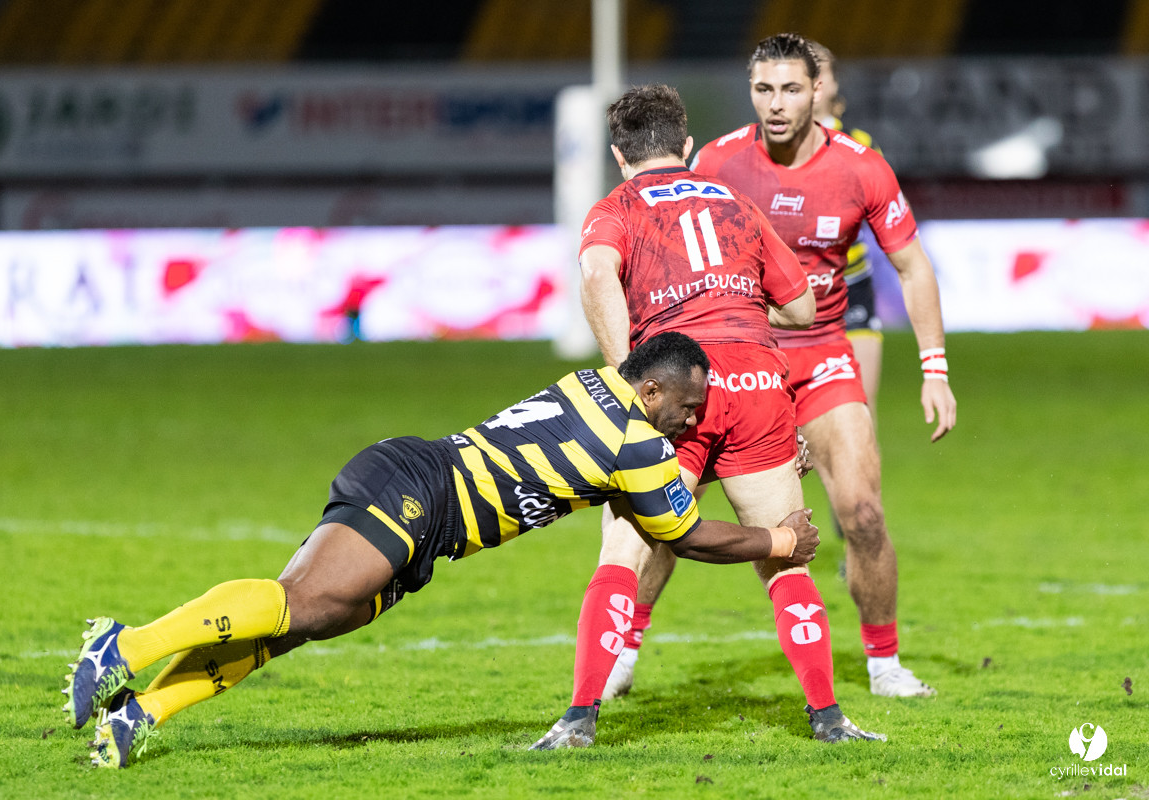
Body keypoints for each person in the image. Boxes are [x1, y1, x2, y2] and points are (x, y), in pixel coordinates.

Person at [59, 332, 824, 768]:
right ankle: (123, 648)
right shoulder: (637, 442)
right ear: (653, 394)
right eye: (688, 408)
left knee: (301, 627)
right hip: (422, 488)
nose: (693, 424)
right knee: (302, 602)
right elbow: (686, 535)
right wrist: (779, 537)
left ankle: (138, 715)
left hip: (430, 509)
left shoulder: (595, 385)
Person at [606, 33, 958, 702]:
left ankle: (883, 663)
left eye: (791, 88)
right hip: (729, 362)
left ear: (818, 91)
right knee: (663, 511)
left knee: (862, 512)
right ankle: (623, 647)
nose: (776, 103)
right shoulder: (716, 161)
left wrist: (934, 368)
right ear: (750, 93)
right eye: (763, 89)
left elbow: (912, 266)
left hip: (822, 352)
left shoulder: (861, 168)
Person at [531, 84, 884, 751]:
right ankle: (829, 718)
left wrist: (628, 378)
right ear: (687, 147)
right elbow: (804, 308)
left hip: (674, 385)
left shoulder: (617, 208)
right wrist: (740, 314)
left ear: (618, 155)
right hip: (755, 384)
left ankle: (578, 720)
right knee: (786, 552)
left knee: (623, 554)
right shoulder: (734, 202)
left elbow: (598, 276)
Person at [808, 40, 884, 414]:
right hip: (792, 294)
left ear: (835, 83)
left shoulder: (862, 146)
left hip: (851, 284)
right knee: (787, 432)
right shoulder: (764, 147)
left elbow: (885, 219)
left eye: (821, 70)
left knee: (861, 417)